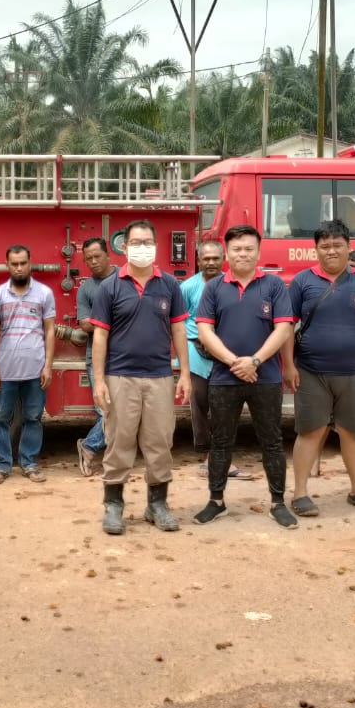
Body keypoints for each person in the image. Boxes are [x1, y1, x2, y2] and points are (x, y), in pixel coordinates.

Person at [88, 220, 191, 535]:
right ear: (124, 245)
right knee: (119, 441)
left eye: (148, 241)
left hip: (160, 377)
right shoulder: (111, 286)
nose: (142, 247)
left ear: (156, 245)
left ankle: (157, 504)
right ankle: (113, 506)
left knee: (159, 442)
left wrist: (184, 373)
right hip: (120, 377)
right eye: (136, 242)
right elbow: (100, 337)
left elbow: (178, 329)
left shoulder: (170, 285)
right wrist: (100, 380)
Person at [190, 225, 297, 529]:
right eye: (237, 249)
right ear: (227, 252)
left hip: (266, 378)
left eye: (249, 249)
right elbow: (205, 330)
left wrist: (256, 360)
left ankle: (277, 502)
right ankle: (216, 501)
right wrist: (234, 362)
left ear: (259, 252)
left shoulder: (274, 286)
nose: (243, 254)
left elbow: (283, 328)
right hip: (224, 377)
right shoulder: (214, 288)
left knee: (272, 441)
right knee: (221, 442)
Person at [286, 219, 355, 518]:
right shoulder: (302, 282)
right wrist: (288, 366)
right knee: (310, 431)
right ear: (316, 249)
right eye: (325, 246)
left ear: (349, 248)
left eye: (337, 245)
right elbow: (286, 326)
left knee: (352, 432)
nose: (331, 251)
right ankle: (300, 493)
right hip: (311, 372)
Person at [0, 245, 56, 484]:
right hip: (5, 369)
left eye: (23, 263)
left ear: (30, 263)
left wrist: (48, 365)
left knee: (33, 417)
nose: (19, 268)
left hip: (35, 369)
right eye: (14, 263)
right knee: (0, 418)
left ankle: (29, 463)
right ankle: (2, 466)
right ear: (7, 265)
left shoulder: (45, 293)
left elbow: (49, 331)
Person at [180, 240, 224, 467]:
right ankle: (205, 449)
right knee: (199, 400)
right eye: (206, 259)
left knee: (223, 401)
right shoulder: (187, 287)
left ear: (223, 260)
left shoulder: (231, 284)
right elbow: (178, 322)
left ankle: (221, 450)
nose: (211, 263)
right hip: (194, 349)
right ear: (198, 261)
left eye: (215, 258)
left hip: (224, 350)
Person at [74, 237, 114, 476]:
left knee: (121, 408)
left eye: (97, 256)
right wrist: (114, 319)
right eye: (88, 258)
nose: (93, 262)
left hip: (124, 355)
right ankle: (90, 448)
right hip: (95, 356)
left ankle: (89, 447)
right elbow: (84, 324)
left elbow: (93, 322)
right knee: (104, 410)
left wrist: (99, 321)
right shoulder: (86, 288)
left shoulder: (124, 277)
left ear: (108, 254)